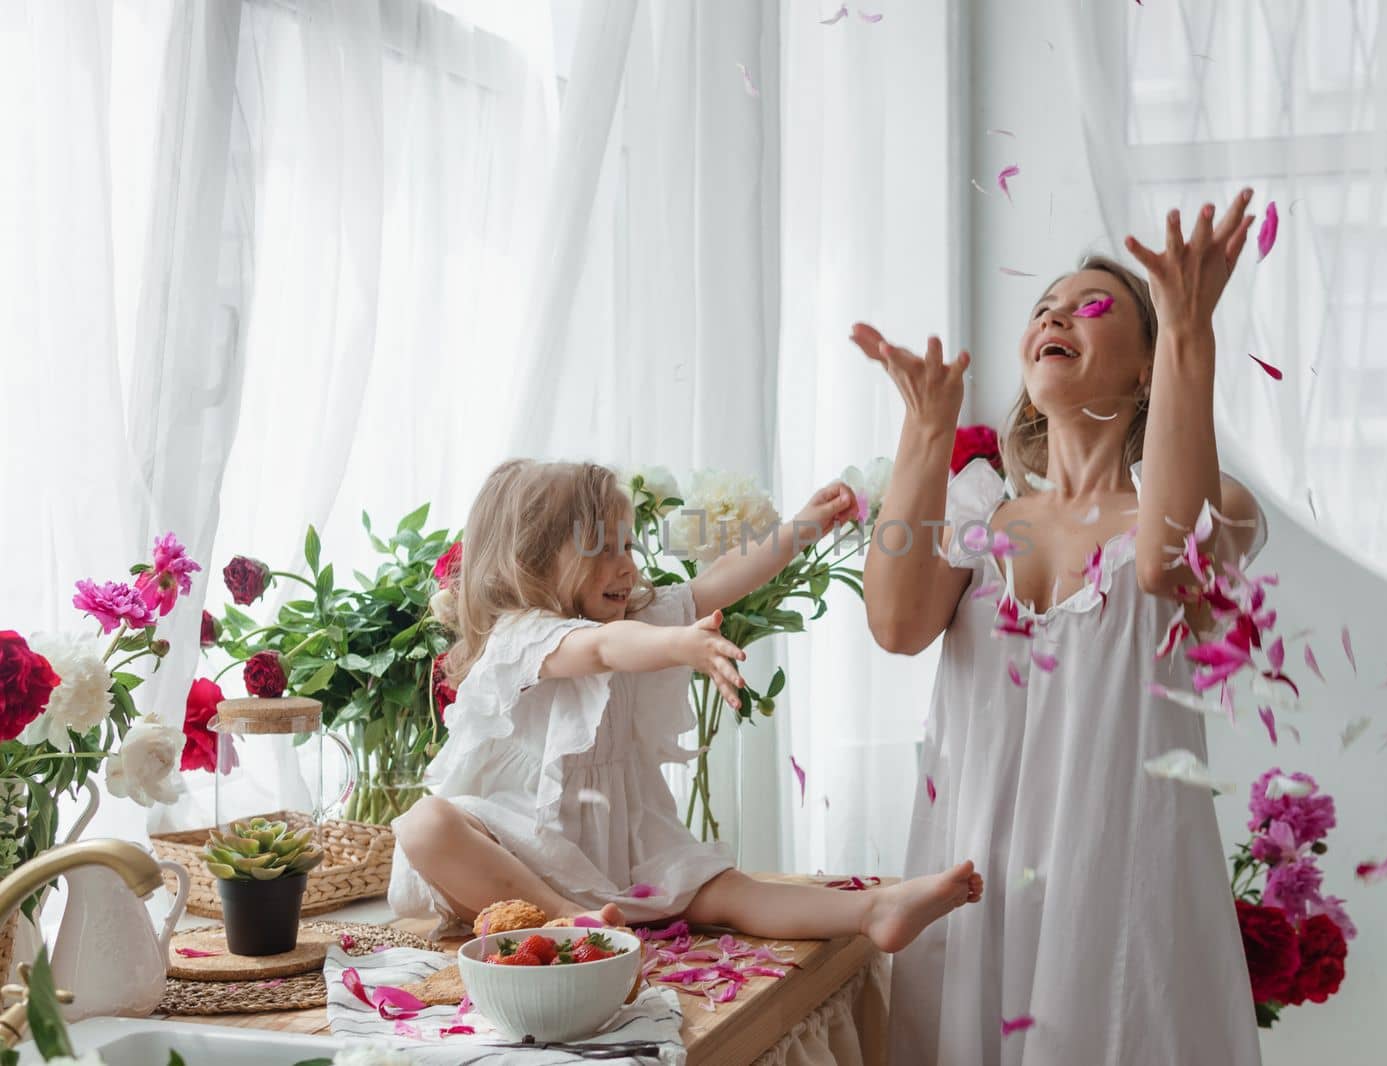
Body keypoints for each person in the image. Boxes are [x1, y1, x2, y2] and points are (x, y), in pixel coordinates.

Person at [856, 190, 1268, 1064]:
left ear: (1147, 366)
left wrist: (1193, 333)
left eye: (1090, 305)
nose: (1055, 315)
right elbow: (895, 624)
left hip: (1117, 884)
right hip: (974, 881)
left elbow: (1165, 565)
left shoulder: (1218, 506)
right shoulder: (982, 511)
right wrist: (925, 433)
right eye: (1044, 306)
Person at [389, 458, 984, 950]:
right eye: (603, 550)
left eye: (627, 545)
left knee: (730, 891)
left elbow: (722, 579)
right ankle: (566, 916)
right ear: (534, 559)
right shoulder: (525, 634)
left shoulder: (633, 612)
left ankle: (874, 911)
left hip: (630, 842)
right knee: (424, 825)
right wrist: (679, 642)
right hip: (522, 852)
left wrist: (804, 527)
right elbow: (599, 651)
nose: (627, 565)